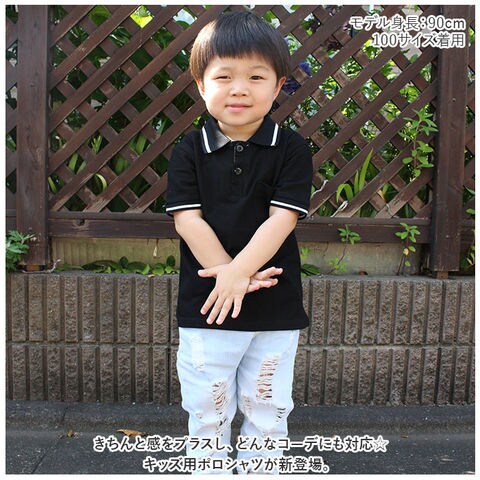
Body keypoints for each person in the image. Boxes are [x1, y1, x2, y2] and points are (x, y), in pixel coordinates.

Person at [166, 10, 313, 475]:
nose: (239, 89)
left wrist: (240, 273)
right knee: (207, 407)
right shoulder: (189, 149)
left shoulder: (292, 148)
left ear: (279, 85)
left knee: (267, 406)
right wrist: (228, 278)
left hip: (273, 304)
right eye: (224, 76)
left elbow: (283, 218)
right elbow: (187, 220)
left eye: (256, 76)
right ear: (201, 85)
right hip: (207, 305)